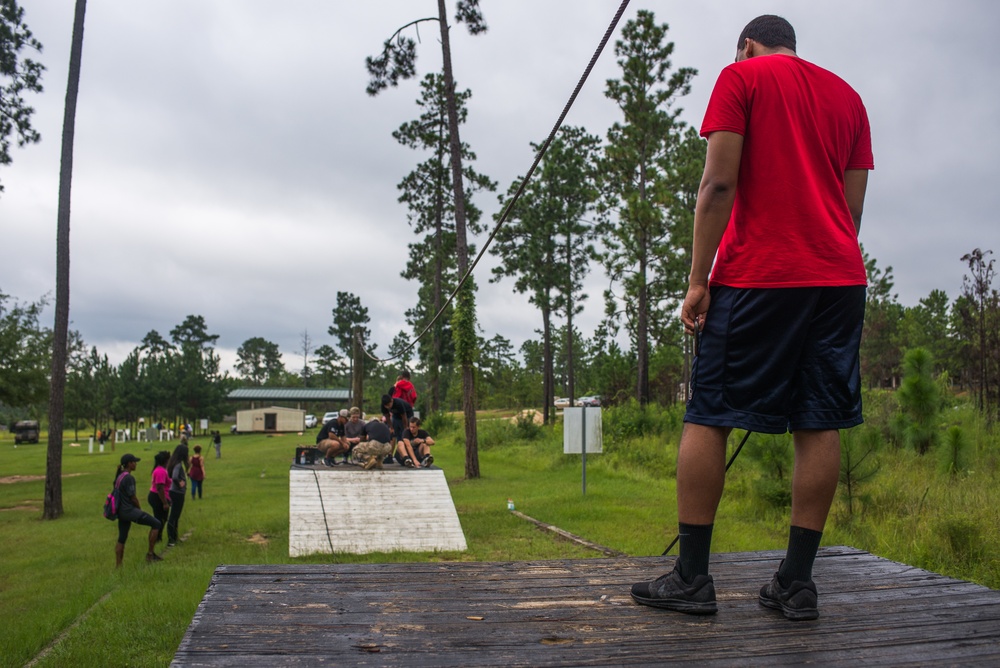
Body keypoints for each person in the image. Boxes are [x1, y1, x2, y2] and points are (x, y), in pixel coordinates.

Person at [630, 15, 873, 622]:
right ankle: (796, 584)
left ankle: (691, 578)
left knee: (709, 411)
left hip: (761, 273)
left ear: (746, 45)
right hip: (839, 277)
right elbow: (853, 205)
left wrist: (696, 280)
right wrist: (824, 260)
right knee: (819, 420)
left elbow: (717, 184)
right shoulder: (848, 97)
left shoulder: (741, 77)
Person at [113, 453, 163, 566]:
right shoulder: (129, 478)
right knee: (156, 524)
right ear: (129, 464)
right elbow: (133, 498)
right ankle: (150, 554)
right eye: (134, 462)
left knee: (122, 538)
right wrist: (139, 510)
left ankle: (118, 565)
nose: (136, 464)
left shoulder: (119, 476)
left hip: (121, 512)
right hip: (129, 511)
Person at [166, 443, 190, 547]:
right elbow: (175, 477)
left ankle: (174, 537)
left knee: (175, 516)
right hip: (177, 493)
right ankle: (171, 539)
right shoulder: (178, 464)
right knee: (174, 516)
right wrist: (180, 483)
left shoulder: (175, 463)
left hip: (175, 492)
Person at [147, 450, 172, 544]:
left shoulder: (161, 469)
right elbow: (159, 488)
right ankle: (156, 538)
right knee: (159, 520)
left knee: (163, 519)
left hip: (159, 496)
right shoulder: (160, 471)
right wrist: (165, 502)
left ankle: (158, 537)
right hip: (158, 497)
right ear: (166, 460)